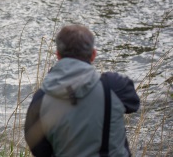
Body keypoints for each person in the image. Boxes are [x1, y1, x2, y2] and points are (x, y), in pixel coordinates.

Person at [24, 24, 140, 157]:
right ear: (93, 55)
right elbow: (134, 104)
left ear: (58, 55)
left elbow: (38, 149)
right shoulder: (114, 86)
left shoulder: (41, 99)